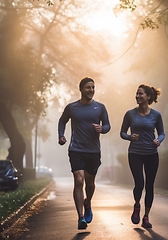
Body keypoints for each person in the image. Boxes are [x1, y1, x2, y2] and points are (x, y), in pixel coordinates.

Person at [58, 77, 111, 230]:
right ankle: (80, 217)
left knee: (90, 183)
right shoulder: (72, 107)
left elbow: (107, 125)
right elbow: (62, 121)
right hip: (76, 149)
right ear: (81, 89)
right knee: (79, 180)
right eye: (88, 87)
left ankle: (87, 203)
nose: (91, 90)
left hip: (93, 151)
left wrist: (103, 129)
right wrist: (61, 135)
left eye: (93, 87)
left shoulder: (100, 107)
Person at [120, 84, 165, 229]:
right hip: (135, 153)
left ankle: (146, 217)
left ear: (148, 97)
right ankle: (137, 205)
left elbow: (162, 133)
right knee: (139, 183)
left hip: (152, 154)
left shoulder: (156, 115)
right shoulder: (130, 114)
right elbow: (122, 132)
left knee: (150, 186)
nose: (137, 96)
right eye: (137, 94)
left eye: (141, 94)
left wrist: (159, 140)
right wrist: (129, 137)